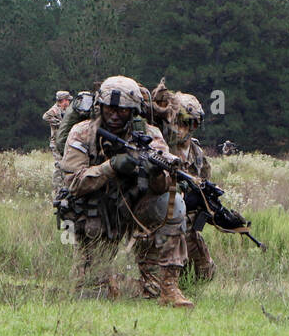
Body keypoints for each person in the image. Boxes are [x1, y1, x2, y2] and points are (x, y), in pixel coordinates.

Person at [58, 76, 194, 307]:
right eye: (109, 108)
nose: (114, 114)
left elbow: (163, 186)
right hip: (96, 212)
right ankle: (111, 281)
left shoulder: (150, 136)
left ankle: (169, 288)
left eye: (122, 110)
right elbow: (75, 183)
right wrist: (111, 167)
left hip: (136, 207)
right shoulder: (81, 133)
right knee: (92, 295)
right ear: (100, 107)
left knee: (175, 205)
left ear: (132, 112)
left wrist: (156, 173)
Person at [152, 83, 215, 282]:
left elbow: (205, 183)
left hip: (189, 225)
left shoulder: (197, 154)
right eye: (178, 122)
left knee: (205, 273)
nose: (182, 128)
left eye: (188, 123)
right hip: (163, 221)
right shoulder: (162, 148)